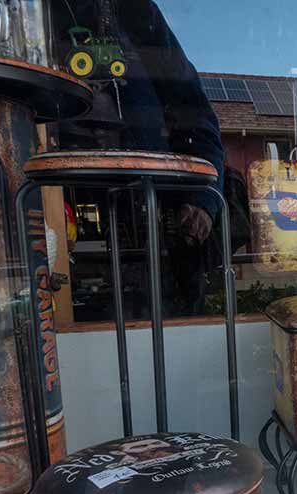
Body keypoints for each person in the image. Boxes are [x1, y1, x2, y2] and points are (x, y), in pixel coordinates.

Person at [52, 0, 227, 315]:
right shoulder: (34, 12)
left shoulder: (136, 12)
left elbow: (197, 117)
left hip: (154, 224)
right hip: (64, 220)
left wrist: (202, 200)